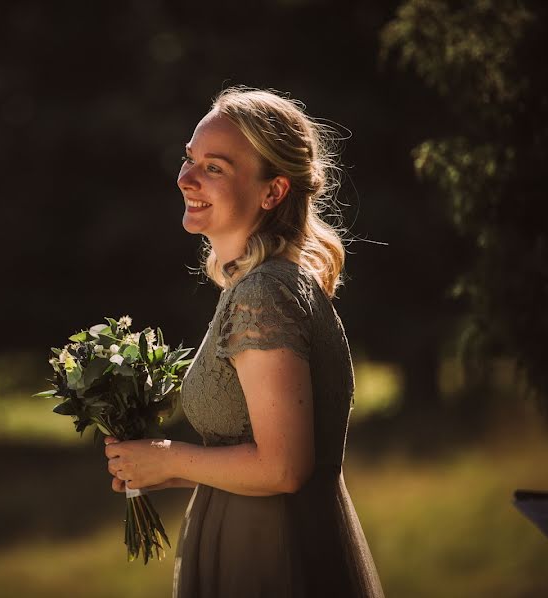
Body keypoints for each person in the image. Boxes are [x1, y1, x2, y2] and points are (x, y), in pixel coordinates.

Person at [103, 87, 385, 597]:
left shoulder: (264, 293)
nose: (184, 178)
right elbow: (259, 457)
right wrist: (163, 469)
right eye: (189, 160)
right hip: (260, 534)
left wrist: (169, 457)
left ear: (272, 191)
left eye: (214, 167)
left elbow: (284, 468)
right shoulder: (267, 282)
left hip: (269, 554)